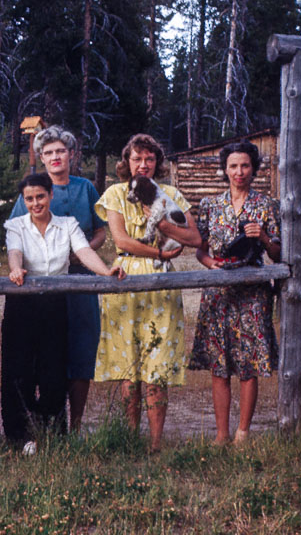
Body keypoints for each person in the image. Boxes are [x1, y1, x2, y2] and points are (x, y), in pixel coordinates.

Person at [3, 173, 125, 455]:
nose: (35, 203)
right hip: (22, 303)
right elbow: (14, 252)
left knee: (53, 368)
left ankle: (51, 434)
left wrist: (106, 270)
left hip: (56, 304)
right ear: (24, 200)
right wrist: (15, 269)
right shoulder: (15, 225)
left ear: (50, 196)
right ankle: (19, 436)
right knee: (19, 369)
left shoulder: (68, 225)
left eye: (40, 197)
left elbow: (84, 252)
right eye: (30, 199)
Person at [93, 134, 200, 452]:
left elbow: (193, 238)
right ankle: (128, 438)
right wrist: (161, 255)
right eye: (137, 158)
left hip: (162, 285)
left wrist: (166, 228)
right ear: (127, 162)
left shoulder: (170, 194)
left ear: (158, 163)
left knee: (158, 366)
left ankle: (155, 443)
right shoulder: (115, 193)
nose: (143, 164)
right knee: (130, 366)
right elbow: (122, 241)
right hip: (127, 277)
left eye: (150, 159)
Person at [9, 125, 106, 432]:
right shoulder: (32, 189)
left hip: (80, 279)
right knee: (45, 354)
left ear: (71, 154)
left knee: (80, 352)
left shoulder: (84, 187)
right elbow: (15, 235)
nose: (55, 157)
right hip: (42, 285)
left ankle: (73, 426)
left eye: (60, 151)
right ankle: (42, 423)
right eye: (48, 152)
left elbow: (101, 230)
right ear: (41, 156)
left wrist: (82, 252)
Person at [190, 141, 281, 445]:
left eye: (244, 165)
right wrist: (210, 263)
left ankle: (243, 432)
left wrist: (265, 237)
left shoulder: (266, 205)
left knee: (248, 362)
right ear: (224, 169)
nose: (239, 172)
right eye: (233, 166)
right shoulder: (209, 205)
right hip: (218, 292)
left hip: (253, 292)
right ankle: (221, 434)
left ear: (254, 168)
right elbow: (200, 251)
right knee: (219, 364)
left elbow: (278, 255)